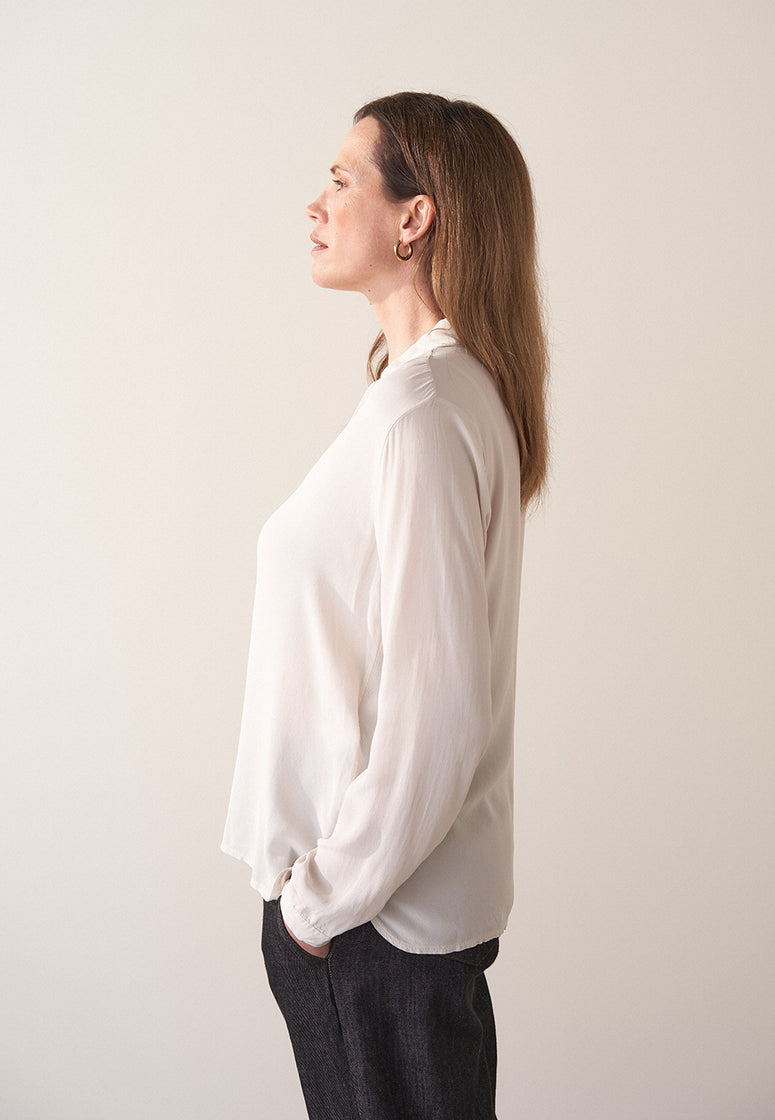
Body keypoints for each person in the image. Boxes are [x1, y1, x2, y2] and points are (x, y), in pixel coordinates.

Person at [222, 91, 548, 1119]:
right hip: (381, 923)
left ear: (416, 217)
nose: (314, 204)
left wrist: (317, 905)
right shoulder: (437, 395)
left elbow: (437, 719)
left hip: (373, 932)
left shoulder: (423, 413)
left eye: (341, 179)